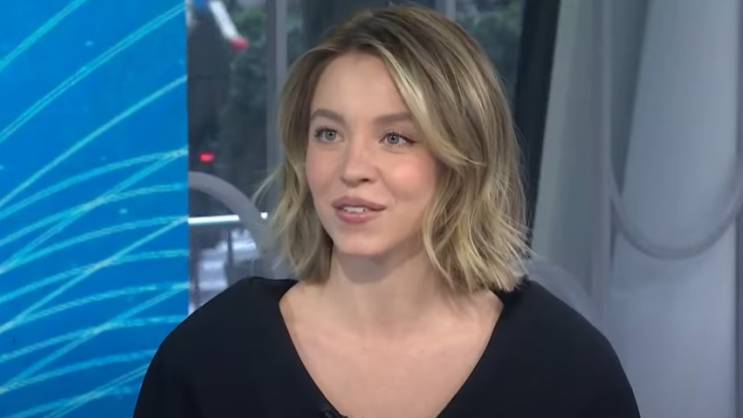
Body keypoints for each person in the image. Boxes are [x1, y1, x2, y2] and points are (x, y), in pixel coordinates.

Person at [134, 5, 640, 418]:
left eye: (395, 137)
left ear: (462, 158)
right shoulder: (209, 359)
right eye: (328, 133)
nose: (352, 168)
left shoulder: (570, 370)